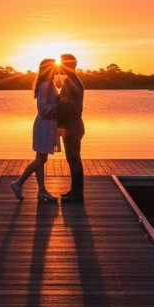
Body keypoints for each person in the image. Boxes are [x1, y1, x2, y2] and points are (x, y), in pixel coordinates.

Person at [10, 58, 60, 202]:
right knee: (41, 159)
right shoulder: (45, 85)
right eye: (54, 67)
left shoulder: (49, 84)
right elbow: (43, 109)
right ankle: (18, 183)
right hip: (44, 125)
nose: (57, 69)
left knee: (40, 159)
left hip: (46, 124)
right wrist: (59, 106)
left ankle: (42, 191)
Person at [56, 53, 84, 203]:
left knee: (74, 160)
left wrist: (55, 112)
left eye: (61, 63)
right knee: (72, 160)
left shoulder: (71, 82)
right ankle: (74, 190)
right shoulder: (72, 80)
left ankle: (77, 193)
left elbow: (70, 107)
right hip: (72, 126)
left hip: (72, 127)